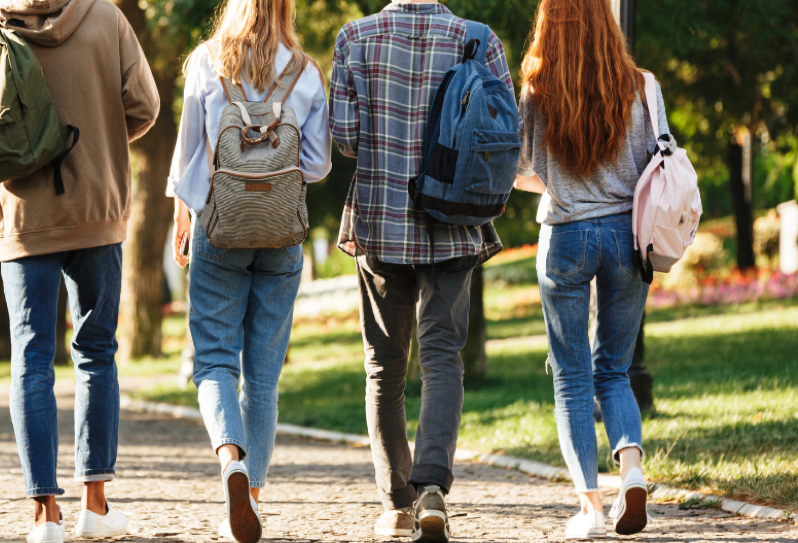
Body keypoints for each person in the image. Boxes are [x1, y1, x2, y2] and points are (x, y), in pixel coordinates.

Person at [0, 1, 159, 542]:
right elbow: (145, 106)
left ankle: (44, 516)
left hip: (23, 214)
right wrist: (103, 139)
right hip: (96, 210)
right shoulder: (107, 19)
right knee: (96, 353)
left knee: (31, 358)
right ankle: (95, 503)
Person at [329, 1, 514, 541]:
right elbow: (506, 135)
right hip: (456, 219)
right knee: (442, 356)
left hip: (381, 218)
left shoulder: (354, 38)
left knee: (384, 365)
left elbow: (345, 137)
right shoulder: (478, 39)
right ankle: (432, 488)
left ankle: (396, 503)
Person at [167, 0, 332, 540]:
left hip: (220, 226)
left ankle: (231, 462)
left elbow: (190, 151)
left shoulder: (207, 62)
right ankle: (252, 498)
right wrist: (274, 169)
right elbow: (318, 164)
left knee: (215, 360)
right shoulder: (305, 72)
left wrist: (183, 214)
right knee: (263, 377)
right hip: (281, 235)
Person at [513, 0, 668, 538]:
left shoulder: (536, 87)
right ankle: (631, 472)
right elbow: (658, 165)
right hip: (628, 238)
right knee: (614, 370)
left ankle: (591, 509)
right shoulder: (643, 86)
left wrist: (564, 181)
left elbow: (520, 171)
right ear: (607, 22)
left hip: (565, 237)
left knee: (572, 377)